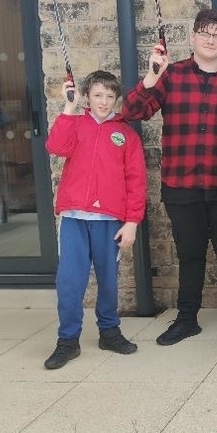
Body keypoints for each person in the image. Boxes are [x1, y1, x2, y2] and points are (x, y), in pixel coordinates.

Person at [123, 9, 217, 348]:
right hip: (181, 187)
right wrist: (152, 76)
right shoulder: (171, 75)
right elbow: (133, 111)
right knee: (190, 254)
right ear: (194, 36)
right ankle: (187, 320)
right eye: (205, 33)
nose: (211, 40)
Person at [44, 71, 146, 369]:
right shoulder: (74, 124)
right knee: (70, 281)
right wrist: (68, 108)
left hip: (109, 221)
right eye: (98, 95)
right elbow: (56, 147)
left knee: (108, 280)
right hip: (75, 218)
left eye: (110, 96)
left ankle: (109, 331)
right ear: (87, 95)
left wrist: (132, 221)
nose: (103, 102)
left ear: (117, 99)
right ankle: (67, 340)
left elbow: (135, 181)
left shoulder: (126, 134)